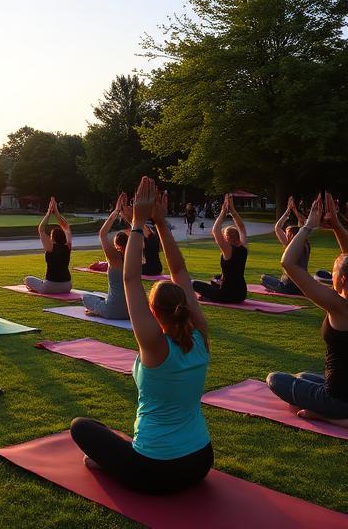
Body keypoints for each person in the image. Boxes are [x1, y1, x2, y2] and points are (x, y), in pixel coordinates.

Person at [70, 177, 213, 494]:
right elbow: (180, 271)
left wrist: (137, 223)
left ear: (153, 311)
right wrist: (160, 223)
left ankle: (113, 462)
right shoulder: (201, 337)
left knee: (82, 427)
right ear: (184, 306)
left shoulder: (154, 345)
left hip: (156, 469)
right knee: (105, 437)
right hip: (201, 460)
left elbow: (130, 279)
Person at [266, 193, 348, 429]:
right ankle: (335, 412)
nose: (331, 276)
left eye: (333, 272)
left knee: (275, 379)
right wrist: (337, 226)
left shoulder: (340, 306)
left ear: (342, 279)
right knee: (303, 376)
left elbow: (288, 263)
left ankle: (328, 416)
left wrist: (308, 226)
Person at [191, 194, 249, 304]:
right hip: (241, 294)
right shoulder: (244, 248)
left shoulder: (228, 250)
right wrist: (233, 211)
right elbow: (242, 227)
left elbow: (215, 230)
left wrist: (223, 212)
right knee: (215, 279)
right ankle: (209, 296)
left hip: (227, 295)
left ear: (227, 238)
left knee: (193, 283)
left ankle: (208, 297)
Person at [82, 193, 130, 320]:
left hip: (113, 310)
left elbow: (102, 234)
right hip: (131, 311)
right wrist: (129, 216)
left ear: (116, 244)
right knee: (101, 297)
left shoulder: (114, 258)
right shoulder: (135, 257)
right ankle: (99, 308)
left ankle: (98, 310)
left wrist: (116, 211)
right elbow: (139, 231)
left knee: (86, 297)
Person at [260, 195, 309, 295]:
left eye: (286, 233)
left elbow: (277, 227)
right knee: (273, 277)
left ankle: (278, 288)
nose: (285, 235)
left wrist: (288, 211)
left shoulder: (289, 246)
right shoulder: (306, 244)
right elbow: (303, 224)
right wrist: (294, 210)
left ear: (290, 235)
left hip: (288, 286)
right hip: (303, 286)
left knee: (263, 277)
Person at [24, 197, 73, 294]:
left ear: (52, 238)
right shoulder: (68, 247)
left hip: (50, 286)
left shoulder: (50, 247)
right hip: (67, 286)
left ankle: (37, 287)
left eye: (50, 236)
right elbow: (66, 227)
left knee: (27, 279)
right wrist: (56, 211)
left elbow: (41, 229)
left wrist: (49, 212)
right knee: (37, 282)